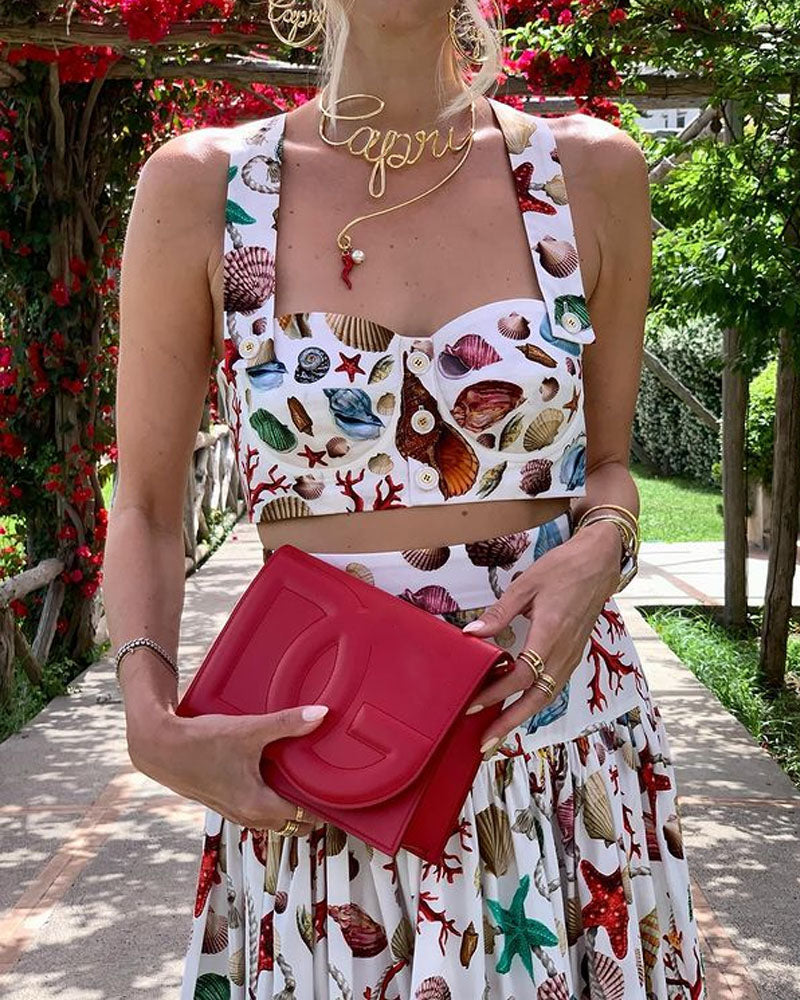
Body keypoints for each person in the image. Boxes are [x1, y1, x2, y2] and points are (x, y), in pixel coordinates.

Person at [102, 1, 708, 997]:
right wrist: (148, 718)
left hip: (554, 752)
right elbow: (148, 508)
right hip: (323, 775)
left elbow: (608, 466)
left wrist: (606, 544)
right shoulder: (202, 185)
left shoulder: (588, 172)